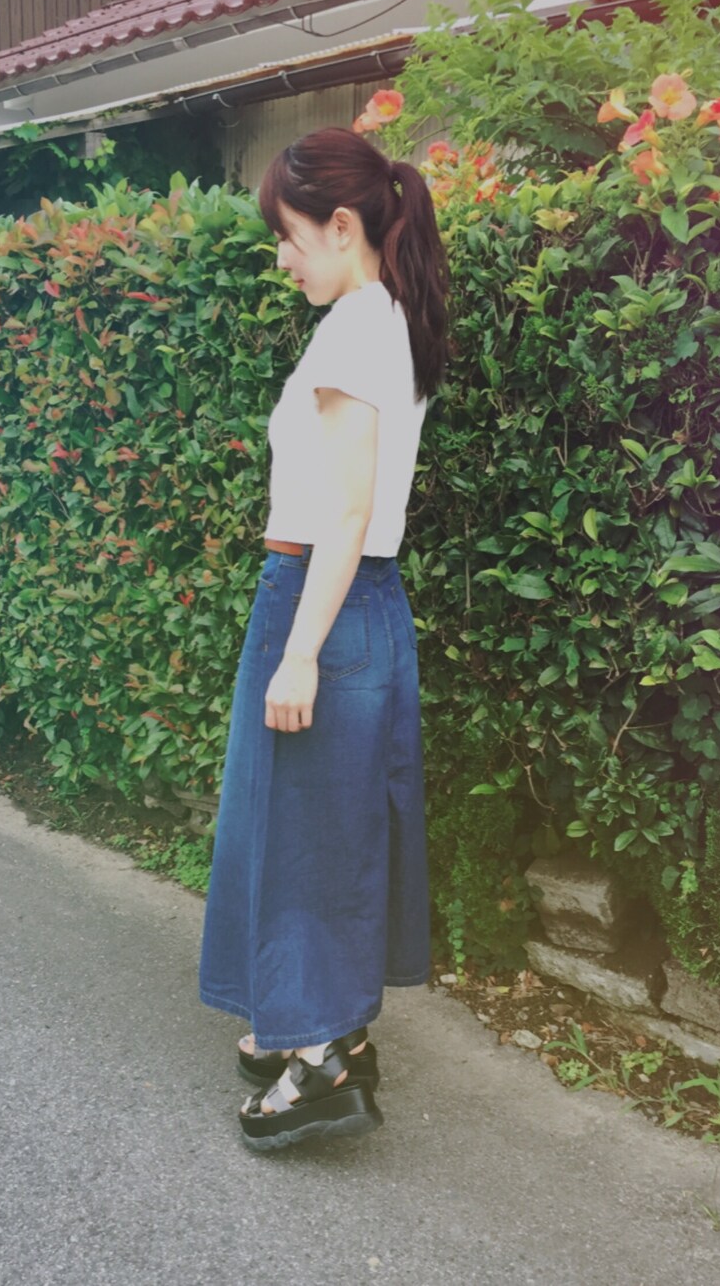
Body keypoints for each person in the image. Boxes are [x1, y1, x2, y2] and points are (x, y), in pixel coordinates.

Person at [198, 125, 450, 1151]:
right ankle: (321, 1025)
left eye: (290, 236)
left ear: (342, 225)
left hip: (322, 595)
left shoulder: (354, 329)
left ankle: (320, 1063)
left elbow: (347, 513)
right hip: (357, 600)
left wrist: (300, 650)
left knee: (302, 833)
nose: (282, 257)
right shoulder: (387, 317)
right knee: (327, 825)